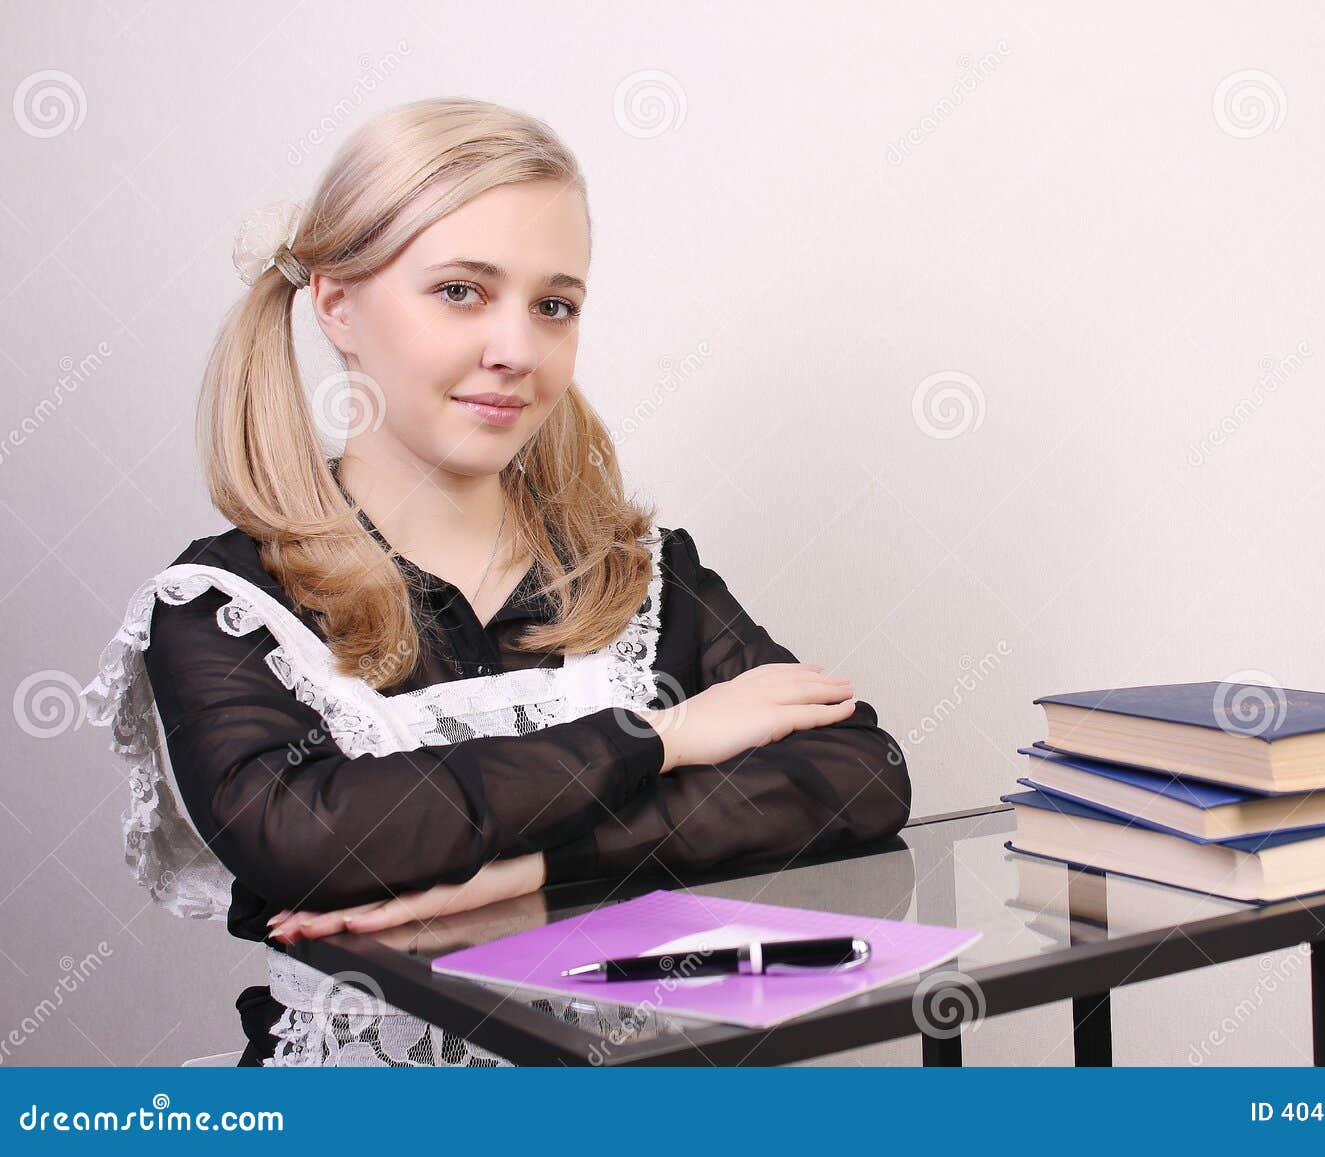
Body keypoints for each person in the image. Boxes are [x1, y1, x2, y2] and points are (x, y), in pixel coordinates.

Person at [79, 97, 911, 1067]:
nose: (517, 349)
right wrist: (663, 736)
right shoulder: (224, 608)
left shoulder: (639, 578)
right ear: (336, 304)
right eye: (462, 292)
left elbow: (855, 774)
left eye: (553, 304)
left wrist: (525, 869)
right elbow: (310, 838)